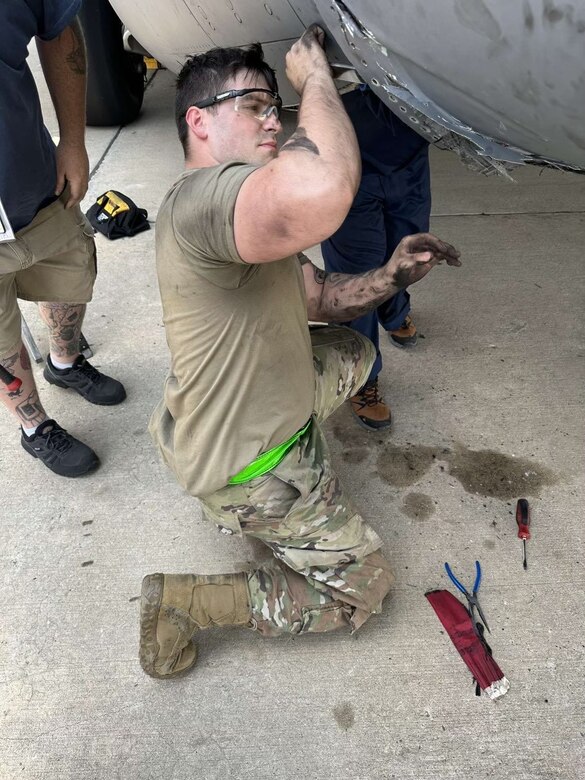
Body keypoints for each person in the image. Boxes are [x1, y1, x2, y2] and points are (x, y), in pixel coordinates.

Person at [143, 27, 460, 679]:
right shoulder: (203, 202)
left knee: (352, 351)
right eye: (253, 104)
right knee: (363, 595)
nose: (273, 119)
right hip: (246, 462)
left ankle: (286, 459)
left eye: (274, 106)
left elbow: (321, 299)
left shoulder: (246, 213)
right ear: (198, 121)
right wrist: (314, 79)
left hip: (238, 411)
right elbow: (322, 189)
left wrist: (392, 276)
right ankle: (182, 603)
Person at [0, 0, 126, 478]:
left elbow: (58, 27)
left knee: (71, 281)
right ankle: (35, 428)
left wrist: (73, 139)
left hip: (36, 185)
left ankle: (65, 362)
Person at [321, 85, 431, 430]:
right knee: (355, 278)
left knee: (407, 252)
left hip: (409, 158)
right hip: (349, 161)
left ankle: (394, 311)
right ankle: (361, 378)